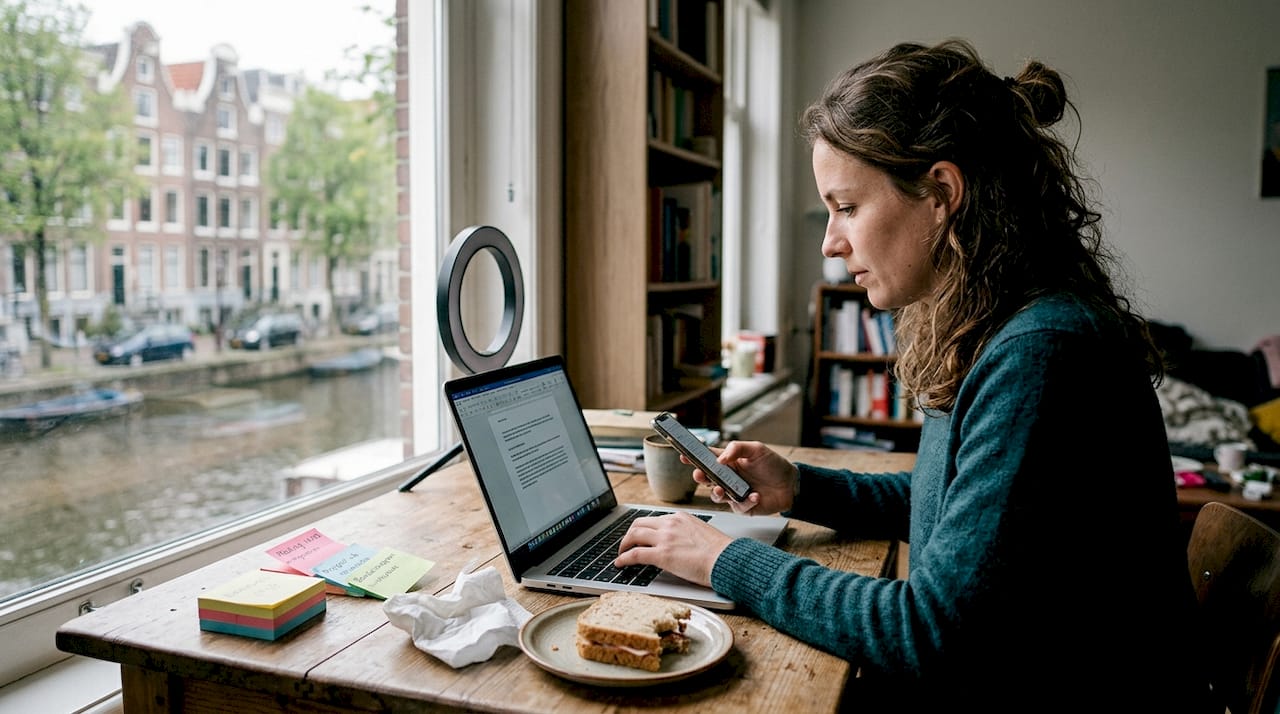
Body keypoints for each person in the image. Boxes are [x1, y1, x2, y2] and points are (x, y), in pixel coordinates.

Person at [615, 39, 1212, 711]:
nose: (829, 240)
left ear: (941, 193)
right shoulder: (1001, 323)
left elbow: (932, 632)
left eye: (846, 206)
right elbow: (957, 513)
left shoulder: (1041, 351)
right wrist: (801, 486)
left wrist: (724, 561)